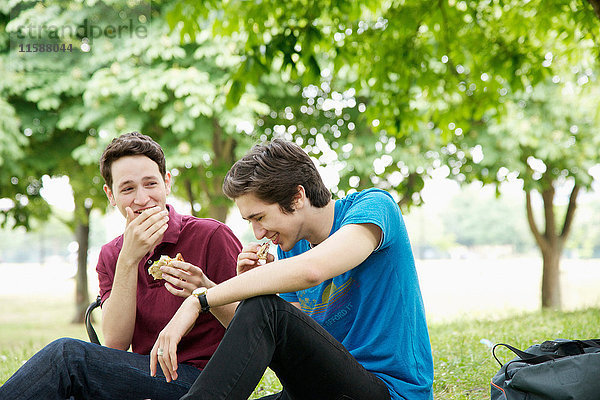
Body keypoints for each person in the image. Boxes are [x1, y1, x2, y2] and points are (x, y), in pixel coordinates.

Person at [151, 139, 434, 400]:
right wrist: (241, 285)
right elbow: (286, 343)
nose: (258, 233)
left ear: (297, 197)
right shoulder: (292, 247)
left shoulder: (373, 209)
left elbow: (313, 270)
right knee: (262, 305)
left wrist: (198, 300)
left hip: (388, 392)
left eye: (260, 217)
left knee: (265, 306)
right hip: (322, 388)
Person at [0, 132, 241, 399]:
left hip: (206, 381)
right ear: (111, 195)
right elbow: (116, 342)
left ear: (167, 183)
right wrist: (128, 258)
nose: (142, 198)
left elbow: (251, 327)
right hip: (146, 377)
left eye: (151, 184)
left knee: (67, 357)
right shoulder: (111, 255)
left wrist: (205, 292)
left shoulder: (212, 236)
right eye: (127, 189)